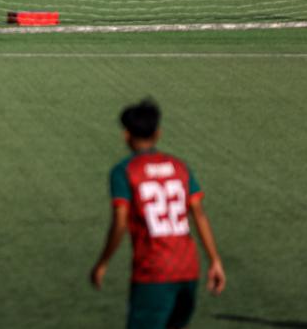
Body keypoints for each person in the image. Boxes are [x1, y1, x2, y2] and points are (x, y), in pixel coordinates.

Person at [90, 99, 226, 329]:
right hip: (189, 270)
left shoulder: (125, 171)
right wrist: (215, 260)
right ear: (158, 133)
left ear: (126, 135)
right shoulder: (179, 166)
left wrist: (103, 262)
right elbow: (199, 214)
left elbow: (120, 221)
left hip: (153, 272)